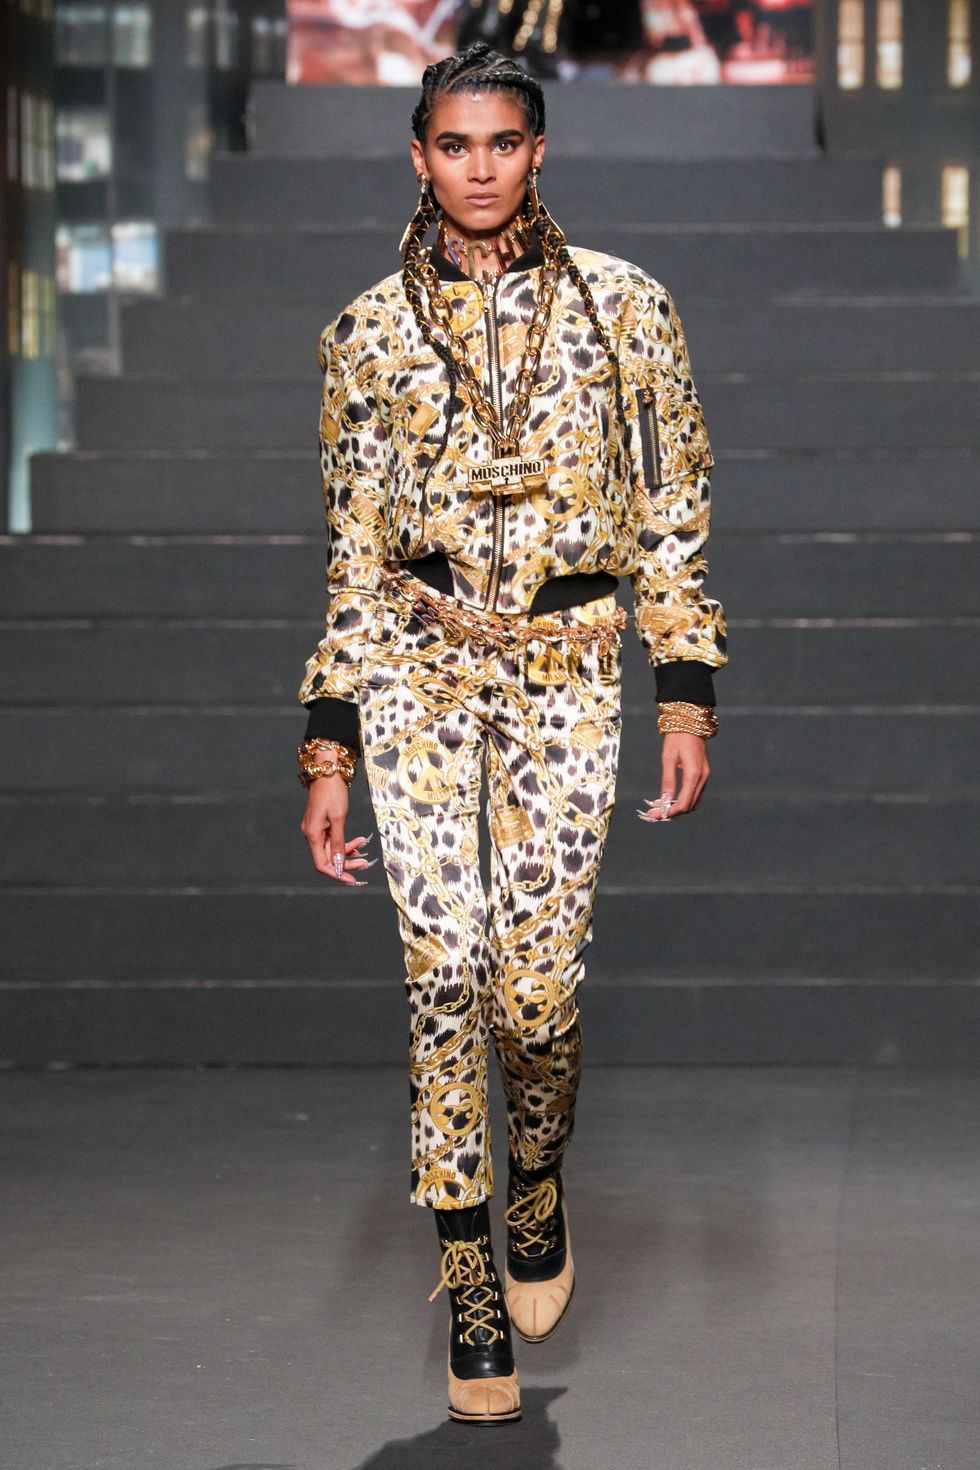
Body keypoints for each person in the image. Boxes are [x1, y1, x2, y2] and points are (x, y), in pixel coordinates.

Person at [296, 41, 727, 1426]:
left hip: (567, 666)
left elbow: (672, 510)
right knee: (443, 972)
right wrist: (329, 745)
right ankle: (470, 1282)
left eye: (502, 143)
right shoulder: (364, 335)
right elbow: (354, 553)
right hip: (418, 670)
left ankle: (535, 1169)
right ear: (418, 155)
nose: (477, 168)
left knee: (535, 994)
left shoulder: (629, 308)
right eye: (453, 144)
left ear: (539, 151)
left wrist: (684, 688)